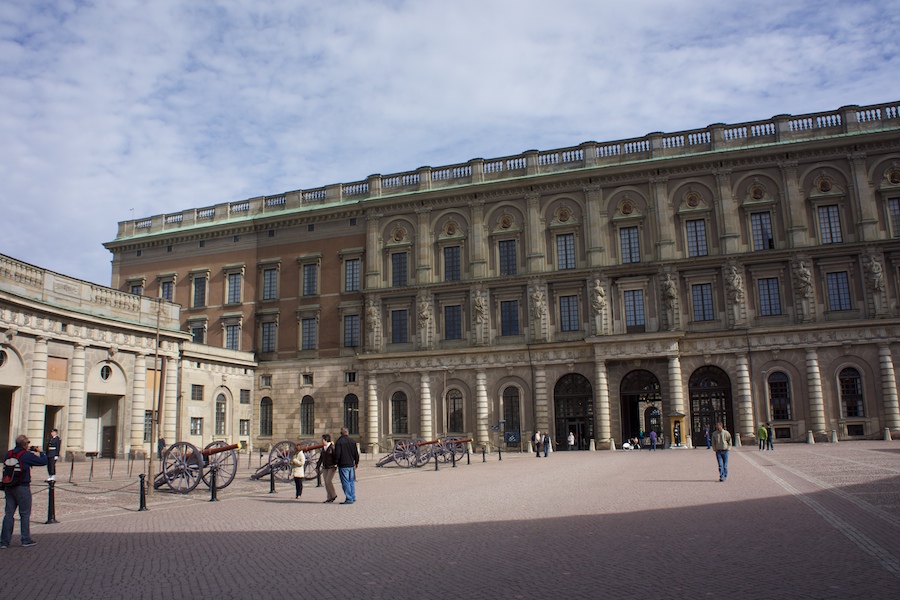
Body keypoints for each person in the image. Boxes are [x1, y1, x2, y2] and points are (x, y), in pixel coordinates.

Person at [1, 434, 48, 549]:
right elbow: (43, 461)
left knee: (8, 514)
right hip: (22, 486)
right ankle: (25, 539)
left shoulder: (9, 453)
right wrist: (41, 452)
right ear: (25, 445)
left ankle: (4, 541)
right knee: (25, 514)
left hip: (9, 486)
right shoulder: (26, 455)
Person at [332, 428, 359, 504]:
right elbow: (356, 453)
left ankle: (349, 498)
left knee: (345, 482)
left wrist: (335, 463)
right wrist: (356, 462)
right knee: (351, 482)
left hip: (343, 465)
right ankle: (353, 496)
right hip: (351, 464)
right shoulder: (352, 441)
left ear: (341, 433)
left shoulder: (339, 442)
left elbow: (338, 454)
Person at [315, 434, 337, 503]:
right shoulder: (323, 448)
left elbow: (336, 457)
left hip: (331, 467)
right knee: (326, 482)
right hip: (325, 467)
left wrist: (335, 465)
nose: (321, 441)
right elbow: (321, 458)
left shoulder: (332, 447)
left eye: (322, 440)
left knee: (328, 481)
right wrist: (317, 466)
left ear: (325, 440)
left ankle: (334, 494)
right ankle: (329, 497)